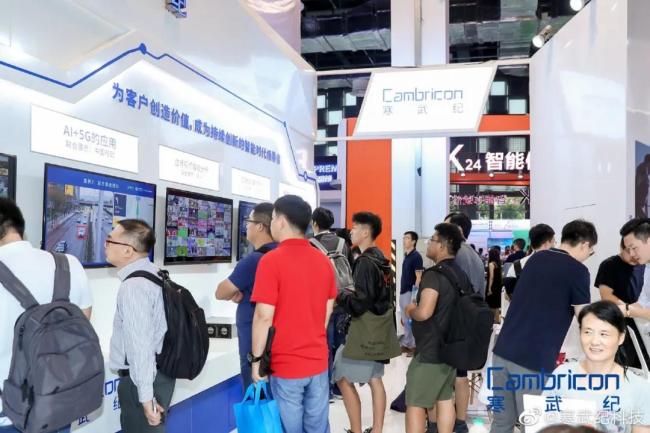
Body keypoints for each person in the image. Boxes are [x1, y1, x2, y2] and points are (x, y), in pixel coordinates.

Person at [490, 219, 597, 433]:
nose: (588, 255)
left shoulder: (536, 259)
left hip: (502, 351)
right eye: (591, 251)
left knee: (502, 423)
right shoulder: (578, 271)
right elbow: (584, 318)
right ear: (584, 244)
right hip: (533, 359)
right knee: (533, 425)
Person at [0, 198, 93, 433]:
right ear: (20, 226)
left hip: (8, 412)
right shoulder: (69, 263)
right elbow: (82, 323)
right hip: (57, 401)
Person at [250, 195, 336, 433]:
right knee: (317, 427)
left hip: (286, 365)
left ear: (282, 221)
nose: (272, 223)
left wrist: (256, 362)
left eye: (273, 218)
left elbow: (263, 316)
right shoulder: (323, 261)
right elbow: (327, 310)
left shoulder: (271, 262)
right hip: (318, 361)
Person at [107, 219, 174, 433]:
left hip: (142, 382)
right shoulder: (156, 272)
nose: (105, 245)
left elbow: (140, 346)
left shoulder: (133, 287)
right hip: (160, 374)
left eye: (110, 240)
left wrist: (146, 399)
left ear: (128, 250)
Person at [404, 223, 472, 433]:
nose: (428, 243)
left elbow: (425, 312)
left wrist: (410, 310)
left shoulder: (433, 275)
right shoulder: (460, 274)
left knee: (415, 402)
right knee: (444, 398)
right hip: (450, 349)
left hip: (430, 351)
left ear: (442, 245)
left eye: (432, 240)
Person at [541, 301, 650, 432]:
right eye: (588, 332)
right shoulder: (562, 375)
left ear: (621, 337)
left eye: (604, 334)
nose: (594, 341)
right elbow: (543, 424)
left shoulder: (639, 388)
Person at [334, 212, 394, 433]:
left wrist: (340, 296)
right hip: (378, 327)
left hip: (363, 330)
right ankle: (376, 429)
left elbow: (360, 302)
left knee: (341, 376)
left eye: (355, 227)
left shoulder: (365, 262)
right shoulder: (381, 259)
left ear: (366, 232)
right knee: (375, 379)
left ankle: (357, 430)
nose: (351, 231)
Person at [215, 202, 276, 390]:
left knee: (257, 397)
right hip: (278, 341)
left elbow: (221, 292)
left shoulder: (254, 260)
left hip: (255, 344)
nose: (246, 226)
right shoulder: (280, 253)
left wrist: (237, 292)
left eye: (249, 221)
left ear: (260, 226)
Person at [310, 207, 352, 399]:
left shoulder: (311, 244)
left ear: (314, 223)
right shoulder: (343, 243)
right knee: (340, 343)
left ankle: (325, 388)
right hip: (342, 298)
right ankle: (340, 387)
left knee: (325, 344)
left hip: (321, 302)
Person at [595, 237, 647, 368]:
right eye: (630, 251)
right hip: (621, 324)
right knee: (624, 366)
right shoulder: (609, 265)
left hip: (643, 324)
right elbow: (606, 295)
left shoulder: (644, 265)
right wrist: (629, 309)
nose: (634, 256)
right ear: (622, 248)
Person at [503, 223, 556, 300]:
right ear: (547, 243)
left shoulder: (517, 265)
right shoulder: (558, 266)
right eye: (554, 242)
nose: (554, 245)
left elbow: (507, 296)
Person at [400, 230, 423, 354]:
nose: (404, 240)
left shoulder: (416, 257)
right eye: (404, 238)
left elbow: (418, 277)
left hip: (410, 292)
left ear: (413, 241)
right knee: (405, 320)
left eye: (407, 238)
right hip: (403, 291)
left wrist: (414, 296)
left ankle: (414, 346)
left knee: (411, 320)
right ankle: (407, 343)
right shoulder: (407, 256)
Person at [486, 247, 502, 323]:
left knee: (491, 305)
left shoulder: (491, 264)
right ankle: (497, 321)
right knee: (496, 305)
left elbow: (491, 277)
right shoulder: (498, 264)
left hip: (493, 286)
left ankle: (491, 322)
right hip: (498, 286)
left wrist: (489, 288)